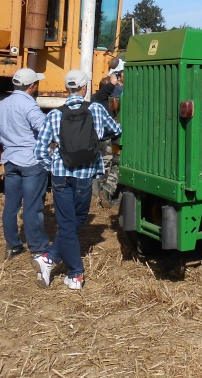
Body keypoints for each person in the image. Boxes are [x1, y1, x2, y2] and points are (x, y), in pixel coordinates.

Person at [31, 69, 122, 290]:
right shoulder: (97, 110)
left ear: (66, 88)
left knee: (68, 223)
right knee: (76, 220)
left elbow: (40, 151)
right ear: (84, 88)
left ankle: (49, 257)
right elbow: (117, 130)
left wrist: (53, 166)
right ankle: (76, 274)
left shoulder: (54, 114)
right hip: (84, 176)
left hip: (62, 175)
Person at [0, 68, 50, 260]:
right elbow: (44, 128)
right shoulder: (29, 106)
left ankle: (12, 245)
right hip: (30, 160)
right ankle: (37, 247)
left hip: (10, 159)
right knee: (32, 206)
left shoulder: (2, 104)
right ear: (32, 86)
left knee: (11, 205)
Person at [94, 61, 124, 207]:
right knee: (116, 165)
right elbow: (114, 126)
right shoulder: (110, 101)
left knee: (102, 168)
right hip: (107, 139)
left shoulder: (93, 101)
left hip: (94, 140)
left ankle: (99, 196)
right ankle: (107, 192)